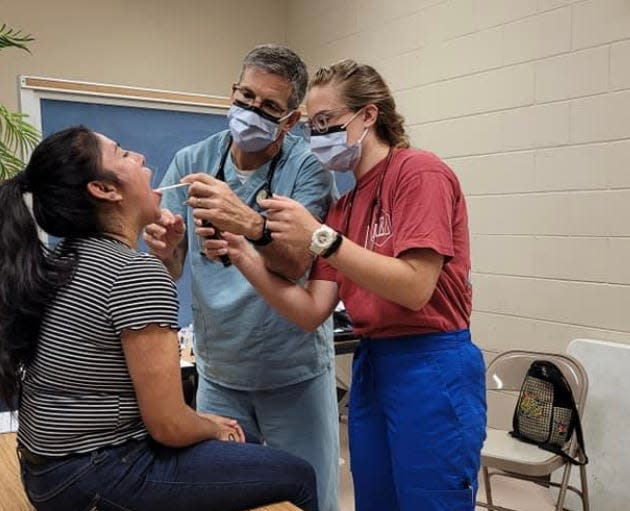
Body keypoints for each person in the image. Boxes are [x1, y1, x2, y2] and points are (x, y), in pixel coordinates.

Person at [198, 60, 488, 511]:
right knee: (375, 499)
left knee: (431, 499)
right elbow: (311, 309)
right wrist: (242, 251)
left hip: (431, 362)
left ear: (368, 116)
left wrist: (320, 239)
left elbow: (415, 288)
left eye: (325, 123)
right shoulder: (346, 204)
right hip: (374, 366)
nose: (317, 138)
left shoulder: (419, 173)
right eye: (311, 128)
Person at [0, 126, 318, 511]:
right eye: (123, 154)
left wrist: (166, 260)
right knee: (298, 475)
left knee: (246, 441)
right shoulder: (135, 273)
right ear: (105, 190)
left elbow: (117, 330)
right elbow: (167, 425)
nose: (140, 159)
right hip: (94, 476)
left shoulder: (65, 260)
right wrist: (213, 425)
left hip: (47, 472)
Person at [143, 45, 339, 511]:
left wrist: (248, 224)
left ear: (290, 120)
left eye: (270, 107)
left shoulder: (307, 167)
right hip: (221, 372)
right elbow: (169, 271)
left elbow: (298, 264)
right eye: (246, 96)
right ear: (233, 91)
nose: (252, 111)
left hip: (293, 373)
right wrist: (166, 250)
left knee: (310, 497)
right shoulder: (194, 160)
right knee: (226, 499)